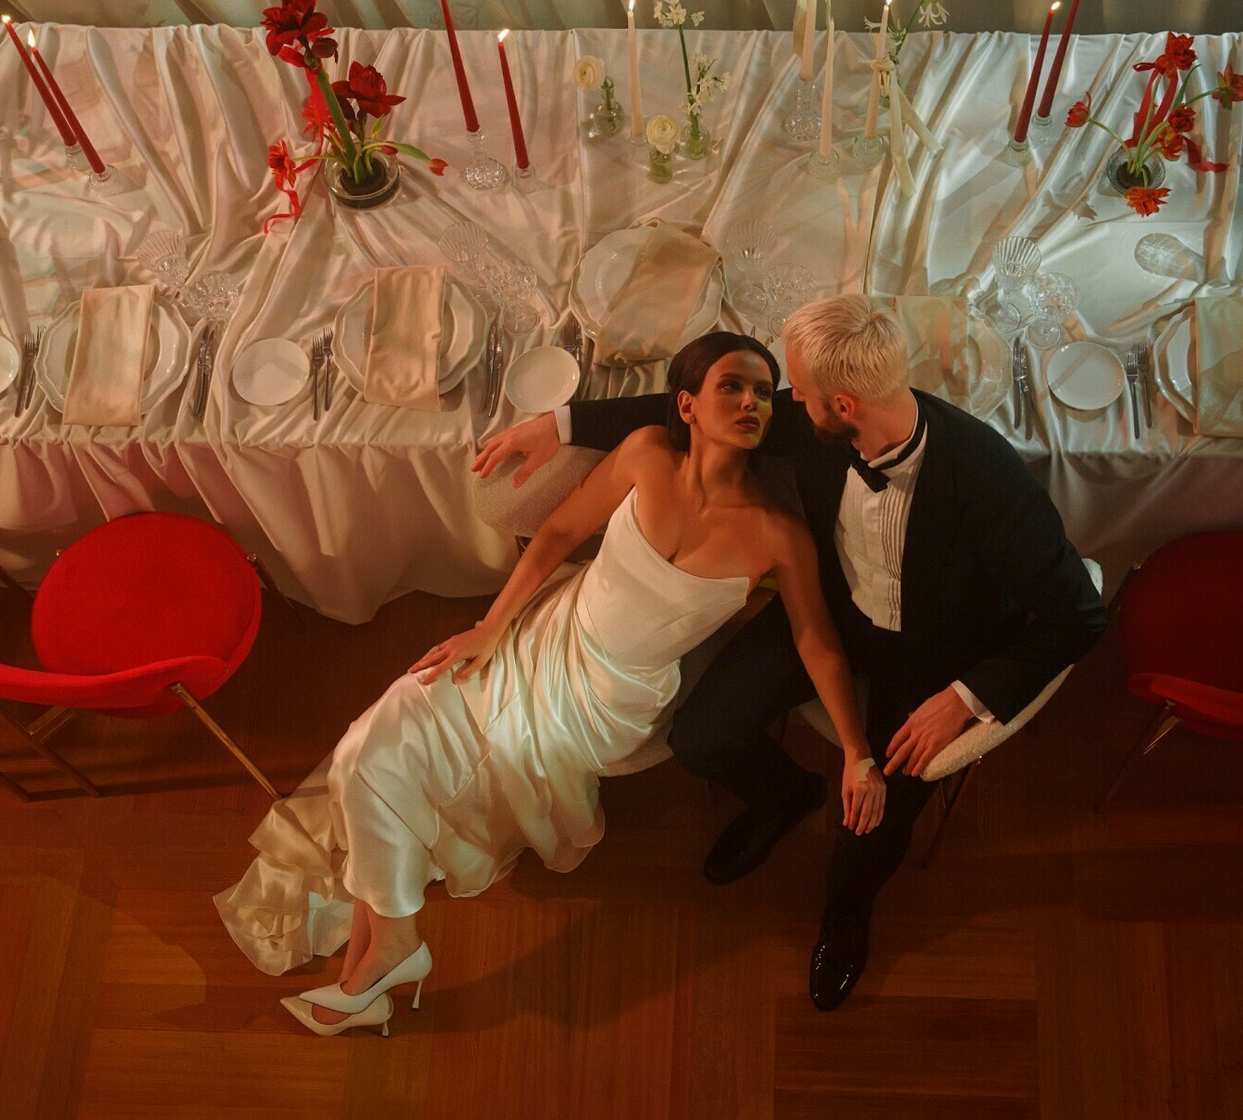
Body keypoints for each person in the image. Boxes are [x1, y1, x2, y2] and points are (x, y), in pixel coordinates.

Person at [215, 332, 886, 1036]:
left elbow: (817, 644)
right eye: (733, 386)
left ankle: (383, 955)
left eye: (763, 393)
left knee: (458, 758)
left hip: (609, 699)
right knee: (366, 745)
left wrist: (855, 750)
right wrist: (491, 627)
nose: (752, 402)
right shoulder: (645, 453)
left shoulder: (778, 535)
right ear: (687, 405)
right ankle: (392, 945)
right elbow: (560, 535)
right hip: (548, 631)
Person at [474, 294, 1107, 1010]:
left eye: (797, 393)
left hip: (933, 656)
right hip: (830, 611)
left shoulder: (992, 481)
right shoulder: (821, 424)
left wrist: (965, 698)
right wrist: (558, 424)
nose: (785, 403)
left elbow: (1080, 617)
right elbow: (691, 405)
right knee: (701, 738)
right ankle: (786, 795)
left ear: (843, 405)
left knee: (873, 819)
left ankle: (846, 912)